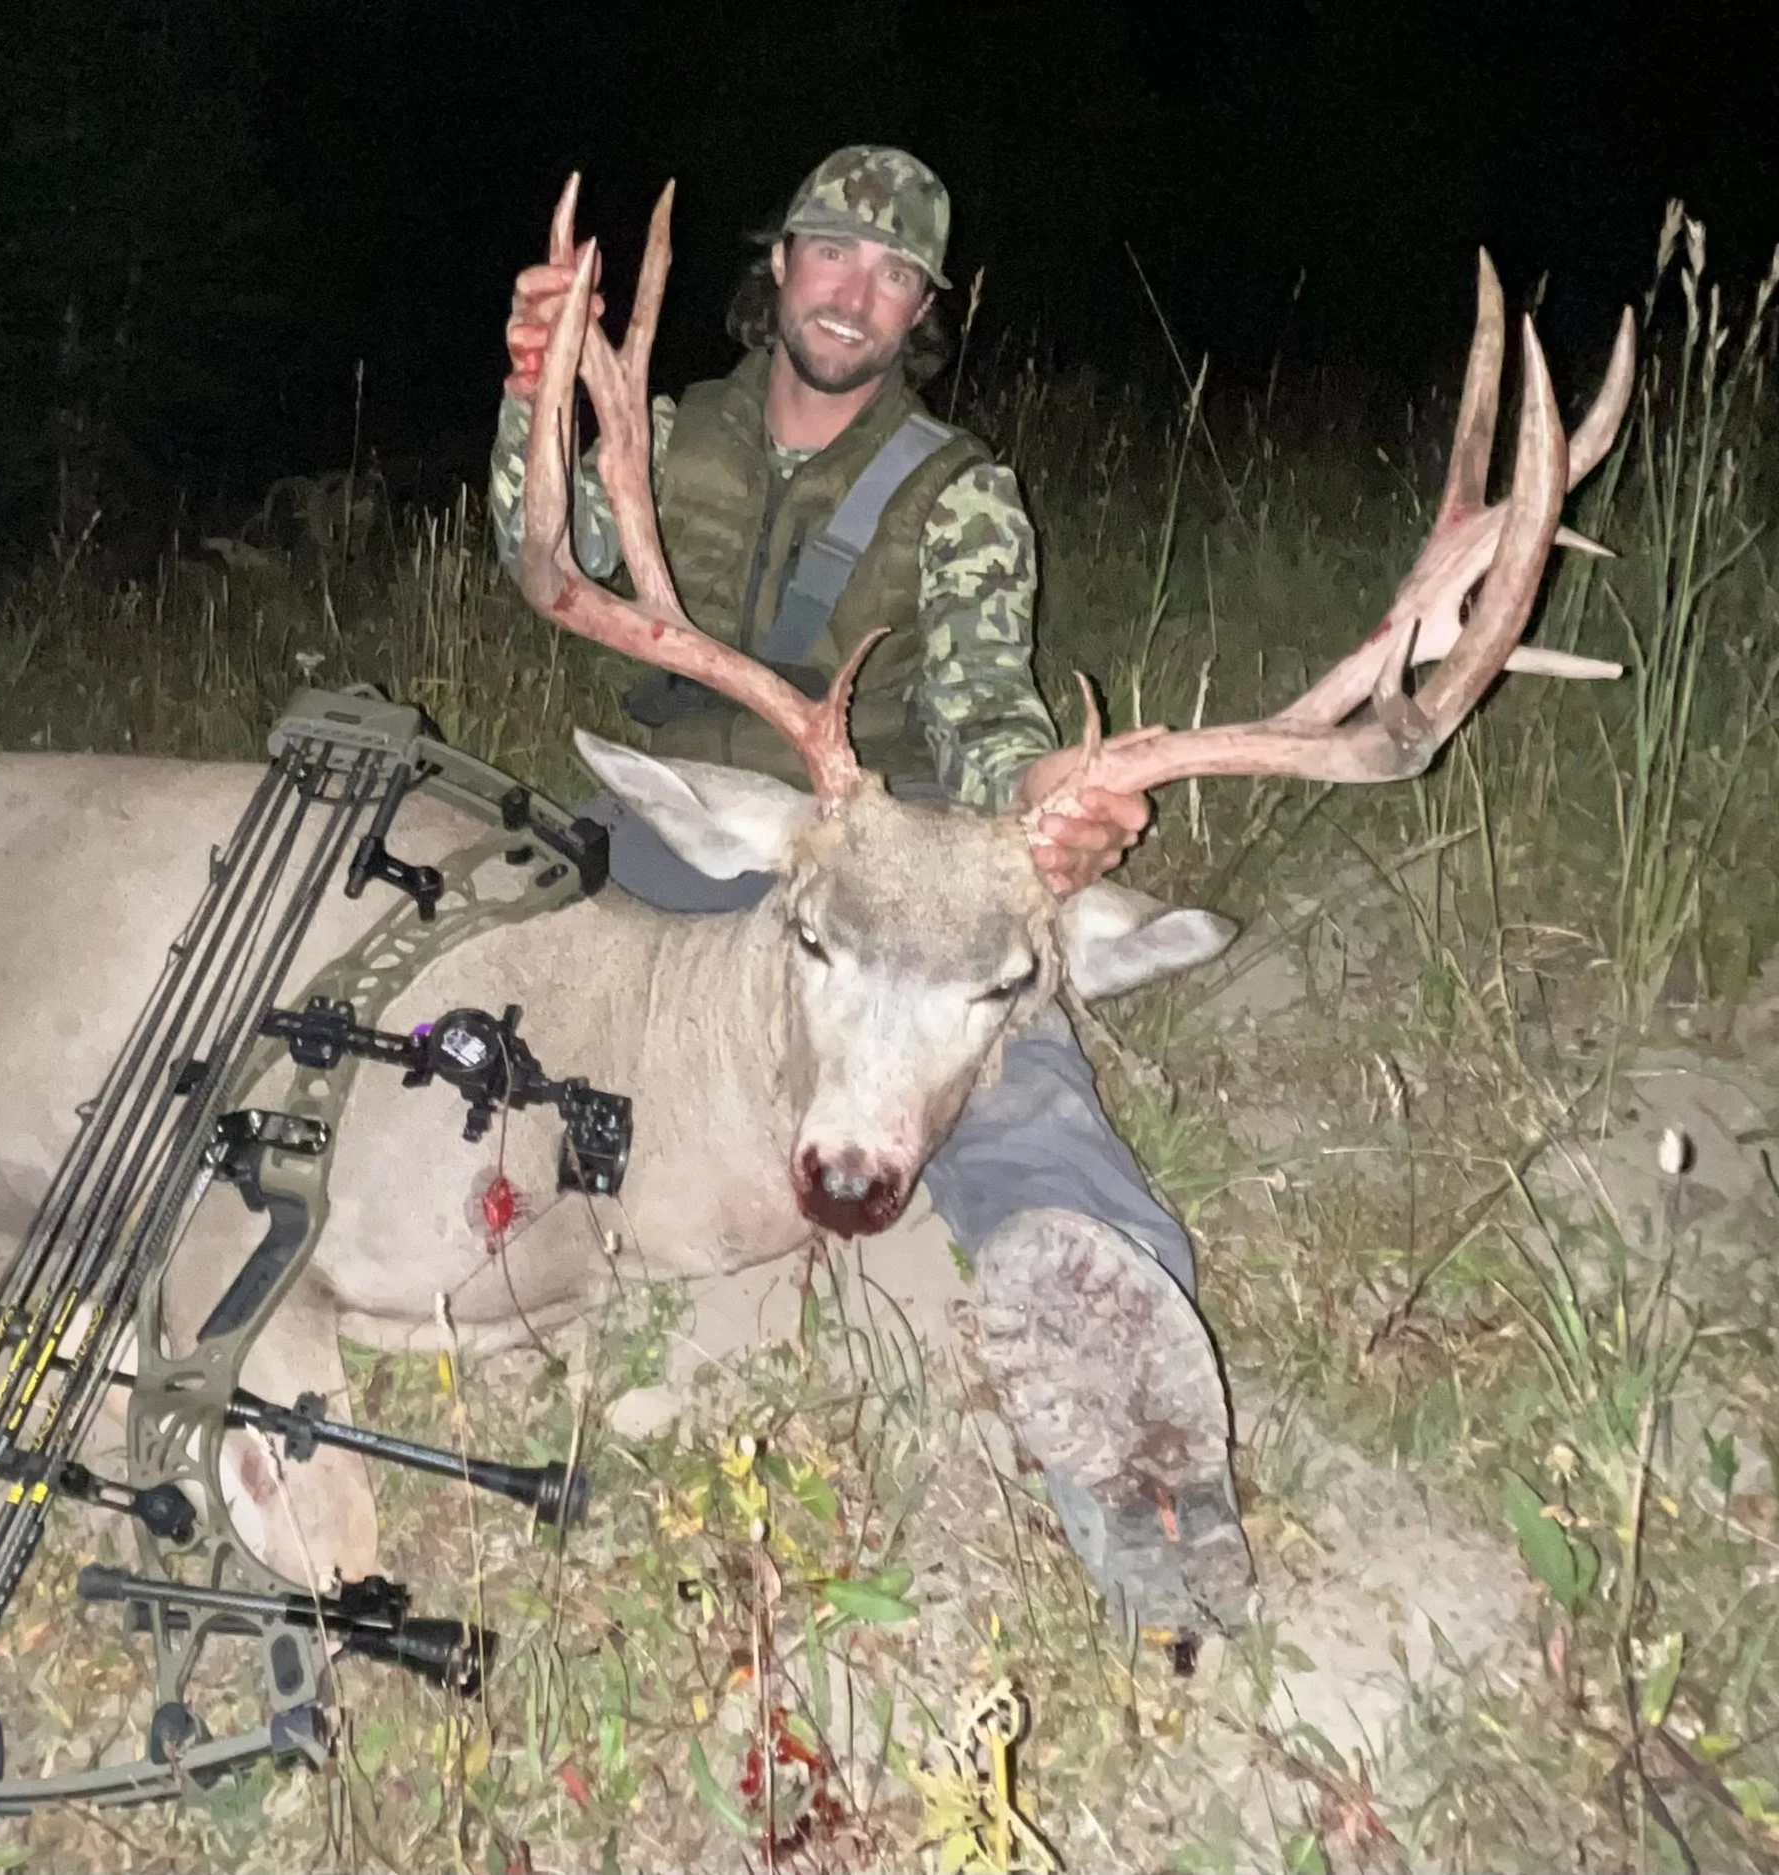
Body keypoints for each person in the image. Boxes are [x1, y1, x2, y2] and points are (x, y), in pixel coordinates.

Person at [487, 147, 1251, 1642]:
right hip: (695, 815)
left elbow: (987, 703)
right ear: (776, 266)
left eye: (896, 275)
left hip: (892, 853)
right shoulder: (671, 434)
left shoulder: (961, 497)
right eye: (833, 255)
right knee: (464, 909)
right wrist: (537, 389)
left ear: (922, 311)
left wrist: (1044, 816)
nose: (859, 290)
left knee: (997, 1046)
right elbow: (550, 551)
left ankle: (1138, 1439)